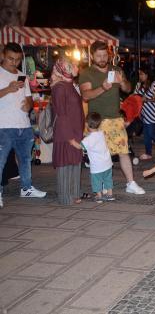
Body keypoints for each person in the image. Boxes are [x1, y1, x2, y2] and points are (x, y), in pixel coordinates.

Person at [79, 41, 145, 195]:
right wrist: (103, 87)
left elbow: (128, 89)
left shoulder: (116, 69)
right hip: (97, 122)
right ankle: (102, 185)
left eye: (104, 55)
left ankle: (131, 183)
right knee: (101, 155)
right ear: (92, 55)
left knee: (123, 151)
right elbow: (86, 95)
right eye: (98, 55)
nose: (102, 58)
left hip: (116, 119)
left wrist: (122, 81)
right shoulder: (87, 73)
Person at [0, 42, 47, 205]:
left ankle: (26, 188)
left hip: (23, 125)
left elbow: (28, 97)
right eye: (10, 59)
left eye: (17, 59)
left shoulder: (22, 75)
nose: (14, 62)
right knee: (1, 161)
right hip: (3, 126)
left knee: (25, 159)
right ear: (2, 56)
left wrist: (28, 104)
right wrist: (7, 89)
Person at [51, 57, 84, 205]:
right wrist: (70, 139)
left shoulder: (69, 85)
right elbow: (61, 114)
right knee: (65, 164)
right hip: (66, 134)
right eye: (73, 65)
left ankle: (74, 194)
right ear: (65, 69)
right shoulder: (60, 87)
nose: (77, 67)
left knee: (75, 163)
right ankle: (66, 197)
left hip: (75, 132)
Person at [70, 112, 114, 202]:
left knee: (96, 181)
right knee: (107, 179)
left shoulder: (88, 139)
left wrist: (72, 141)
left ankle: (99, 195)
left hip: (97, 166)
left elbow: (79, 146)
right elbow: (94, 138)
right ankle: (110, 194)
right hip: (107, 163)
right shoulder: (101, 133)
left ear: (86, 124)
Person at [135, 67, 155, 160]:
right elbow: (136, 97)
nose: (140, 76)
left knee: (152, 134)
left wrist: (146, 100)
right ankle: (148, 153)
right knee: (146, 135)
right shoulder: (138, 85)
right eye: (139, 74)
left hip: (154, 113)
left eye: (142, 74)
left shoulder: (154, 84)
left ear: (147, 74)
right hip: (144, 113)